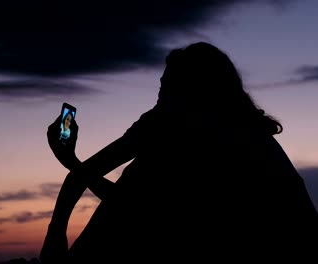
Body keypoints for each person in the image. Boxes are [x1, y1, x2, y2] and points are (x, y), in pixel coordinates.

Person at [40, 42, 318, 263]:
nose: (159, 95)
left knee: (139, 171)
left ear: (190, 89)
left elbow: (130, 206)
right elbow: (142, 208)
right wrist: (73, 162)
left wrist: (55, 238)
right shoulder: (249, 131)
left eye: (166, 86)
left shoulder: (172, 119)